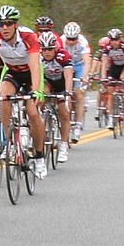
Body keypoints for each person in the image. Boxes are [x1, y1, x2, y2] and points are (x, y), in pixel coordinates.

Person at [0, 5, 46, 179]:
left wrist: (37, 91)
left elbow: (34, 66)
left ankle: (39, 156)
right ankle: (9, 138)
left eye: (9, 23)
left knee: (32, 112)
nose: (4, 28)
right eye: (1, 24)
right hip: (13, 72)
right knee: (3, 95)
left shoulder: (29, 37)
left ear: (16, 24)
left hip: (31, 73)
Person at [38, 31, 73, 162]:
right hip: (48, 82)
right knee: (41, 96)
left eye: (50, 49)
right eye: (44, 49)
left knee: (64, 113)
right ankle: (40, 122)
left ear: (55, 48)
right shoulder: (38, 58)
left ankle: (63, 145)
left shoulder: (63, 56)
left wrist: (68, 93)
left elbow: (69, 76)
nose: (47, 52)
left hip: (62, 84)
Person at [61, 21, 91, 143]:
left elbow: (87, 62)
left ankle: (77, 125)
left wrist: (85, 76)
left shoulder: (83, 42)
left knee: (78, 93)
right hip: (65, 66)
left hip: (79, 66)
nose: (72, 41)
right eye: (69, 39)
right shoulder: (61, 41)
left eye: (74, 39)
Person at [99, 28, 124, 130]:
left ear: (120, 39)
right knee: (110, 93)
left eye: (116, 40)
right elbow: (104, 64)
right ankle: (110, 118)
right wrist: (103, 78)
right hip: (114, 68)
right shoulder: (107, 48)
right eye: (112, 40)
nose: (114, 42)